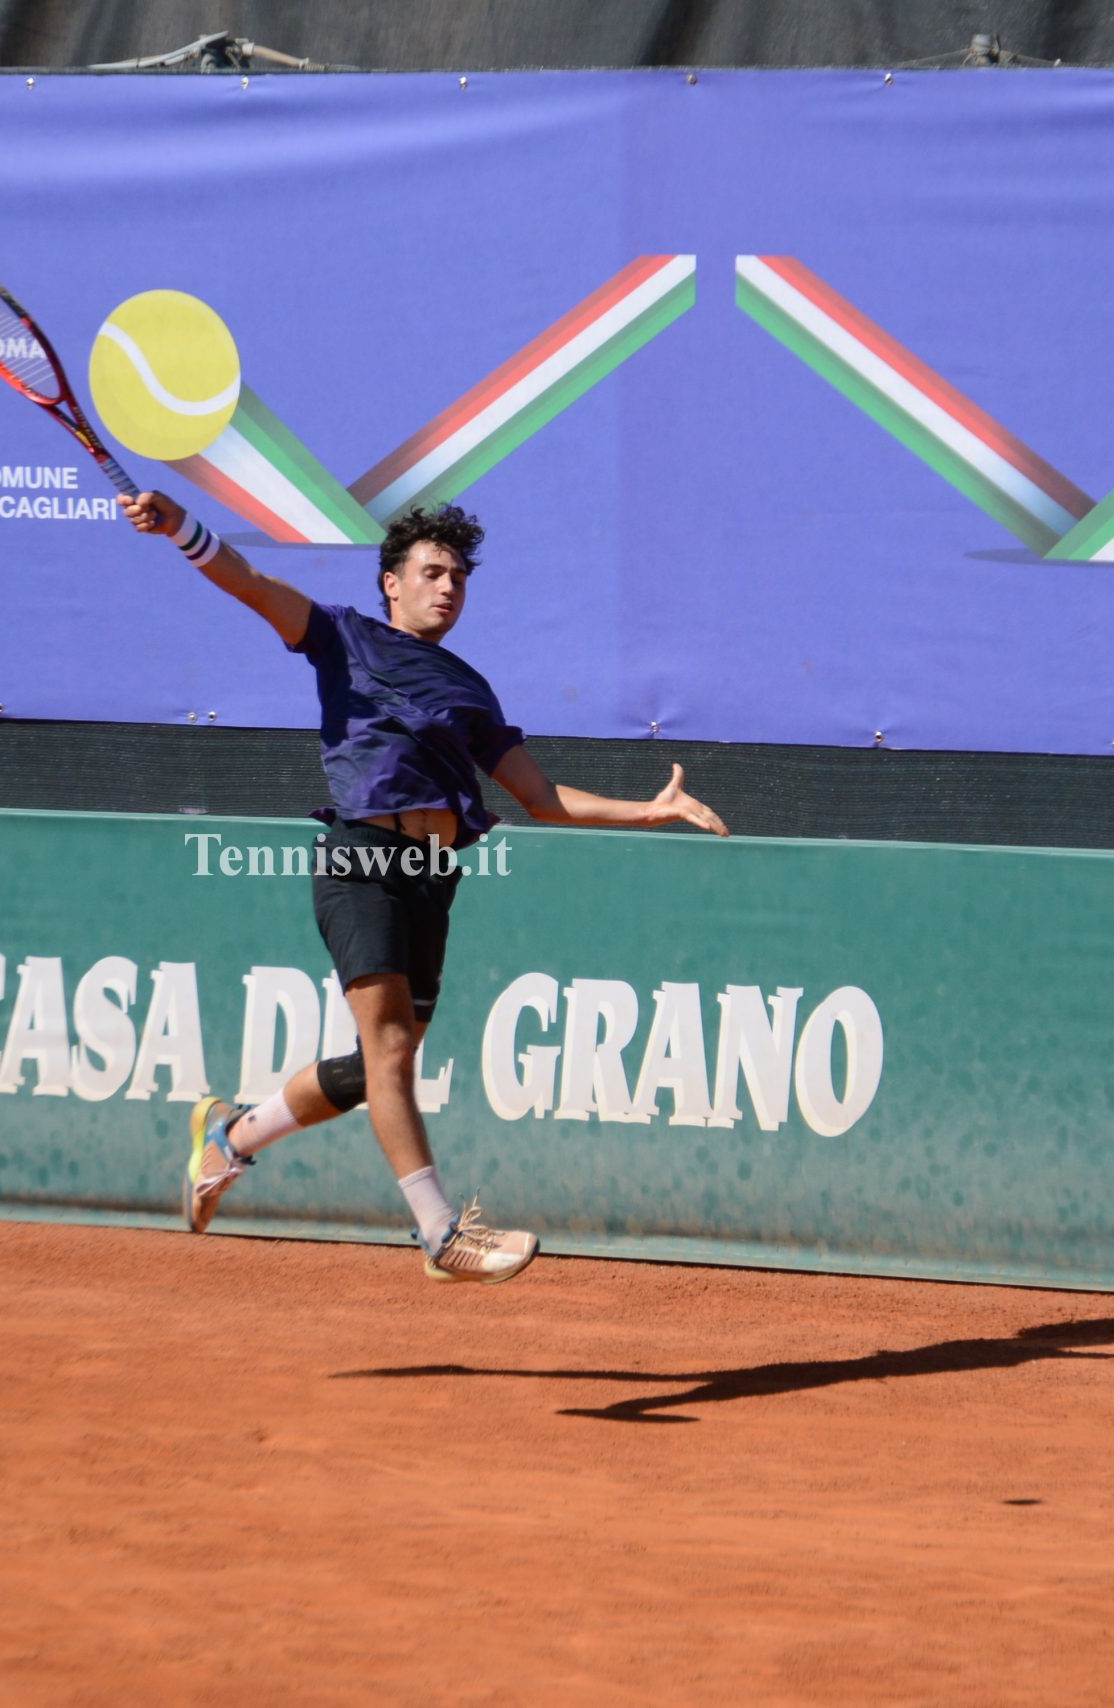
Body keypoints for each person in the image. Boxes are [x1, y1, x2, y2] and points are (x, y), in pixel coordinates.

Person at [118, 489, 728, 1284]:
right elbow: (249, 582)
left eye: (459, 578)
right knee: (393, 1051)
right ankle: (440, 1232)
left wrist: (650, 812)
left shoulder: (470, 688)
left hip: (433, 876)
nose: (448, 588)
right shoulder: (342, 635)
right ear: (390, 583)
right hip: (361, 860)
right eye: (432, 572)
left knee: (377, 1066)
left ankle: (230, 1138)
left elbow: (541, 798)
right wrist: (182, 530)